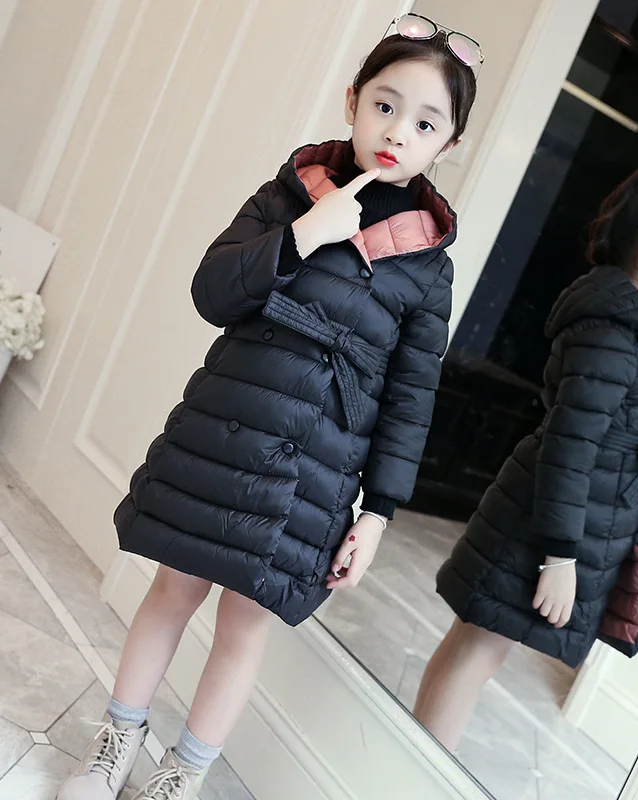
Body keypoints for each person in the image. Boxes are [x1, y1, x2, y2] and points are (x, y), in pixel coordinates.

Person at [58, 14, 480, 800]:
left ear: (448, 144)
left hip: (316, 472)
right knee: (173, 587)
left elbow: (412, 396)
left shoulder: (428, 263)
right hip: (226, 429)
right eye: (385, 105)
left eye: (426, 123)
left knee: (243, 624)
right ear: (352, 101)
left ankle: (181, 776)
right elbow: (211, 292)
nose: (398, 132)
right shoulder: (290, 192)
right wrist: (302, 236)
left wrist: (378, 513)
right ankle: (116, 740)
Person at [415, 160, 638, 752]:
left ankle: (412, 768)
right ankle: (414, 773)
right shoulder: (611, 334)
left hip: (548, 523)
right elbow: (569, 448)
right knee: (476, 649)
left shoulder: (633, 331)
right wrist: (560, 558)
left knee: (475, 647)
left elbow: (631, 440)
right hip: (540, 528)